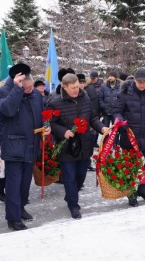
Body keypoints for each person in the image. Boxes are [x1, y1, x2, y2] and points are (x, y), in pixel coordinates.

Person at [48, 73, 107, 219]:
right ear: (64, 87)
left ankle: (70, 196)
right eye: (73, 88)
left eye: (77, 87)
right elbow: (51, 123)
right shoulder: (55, 102)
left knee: (80, 176)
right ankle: (73, 205)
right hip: (67, 146)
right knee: (70, 177)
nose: (76, 90)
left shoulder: (85, 98)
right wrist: (63, 131)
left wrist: (102, 128)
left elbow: (92, 117)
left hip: (84, 144)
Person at [0, 64, 48, 231]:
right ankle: (13, 218)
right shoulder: (5, 93)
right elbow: (8, 110)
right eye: (26, 87)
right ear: (17, 84)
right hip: (13, 147)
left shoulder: (34, 94)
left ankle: (20, 208)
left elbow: (41, 114)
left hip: (31, 145)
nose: (30, 90)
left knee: (25, 184)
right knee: (13, 185)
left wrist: (46, 127)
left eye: (31, 86)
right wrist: (17, 90)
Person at [114, 68, 145, 207]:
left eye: (144, 82)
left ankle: (144, 191)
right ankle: (131, 194)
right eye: (139, 82)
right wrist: (122, 124)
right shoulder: (125, 93)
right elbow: (117, 112)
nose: (141, 84)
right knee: (131, 167)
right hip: (130, 136)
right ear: (134, 80)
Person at [77, 73, 99, 171]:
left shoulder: (87, 94)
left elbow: (93, 107)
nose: (82, 84)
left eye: (83, 82)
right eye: (79, 82)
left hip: (86, 127)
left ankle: (87, 163)